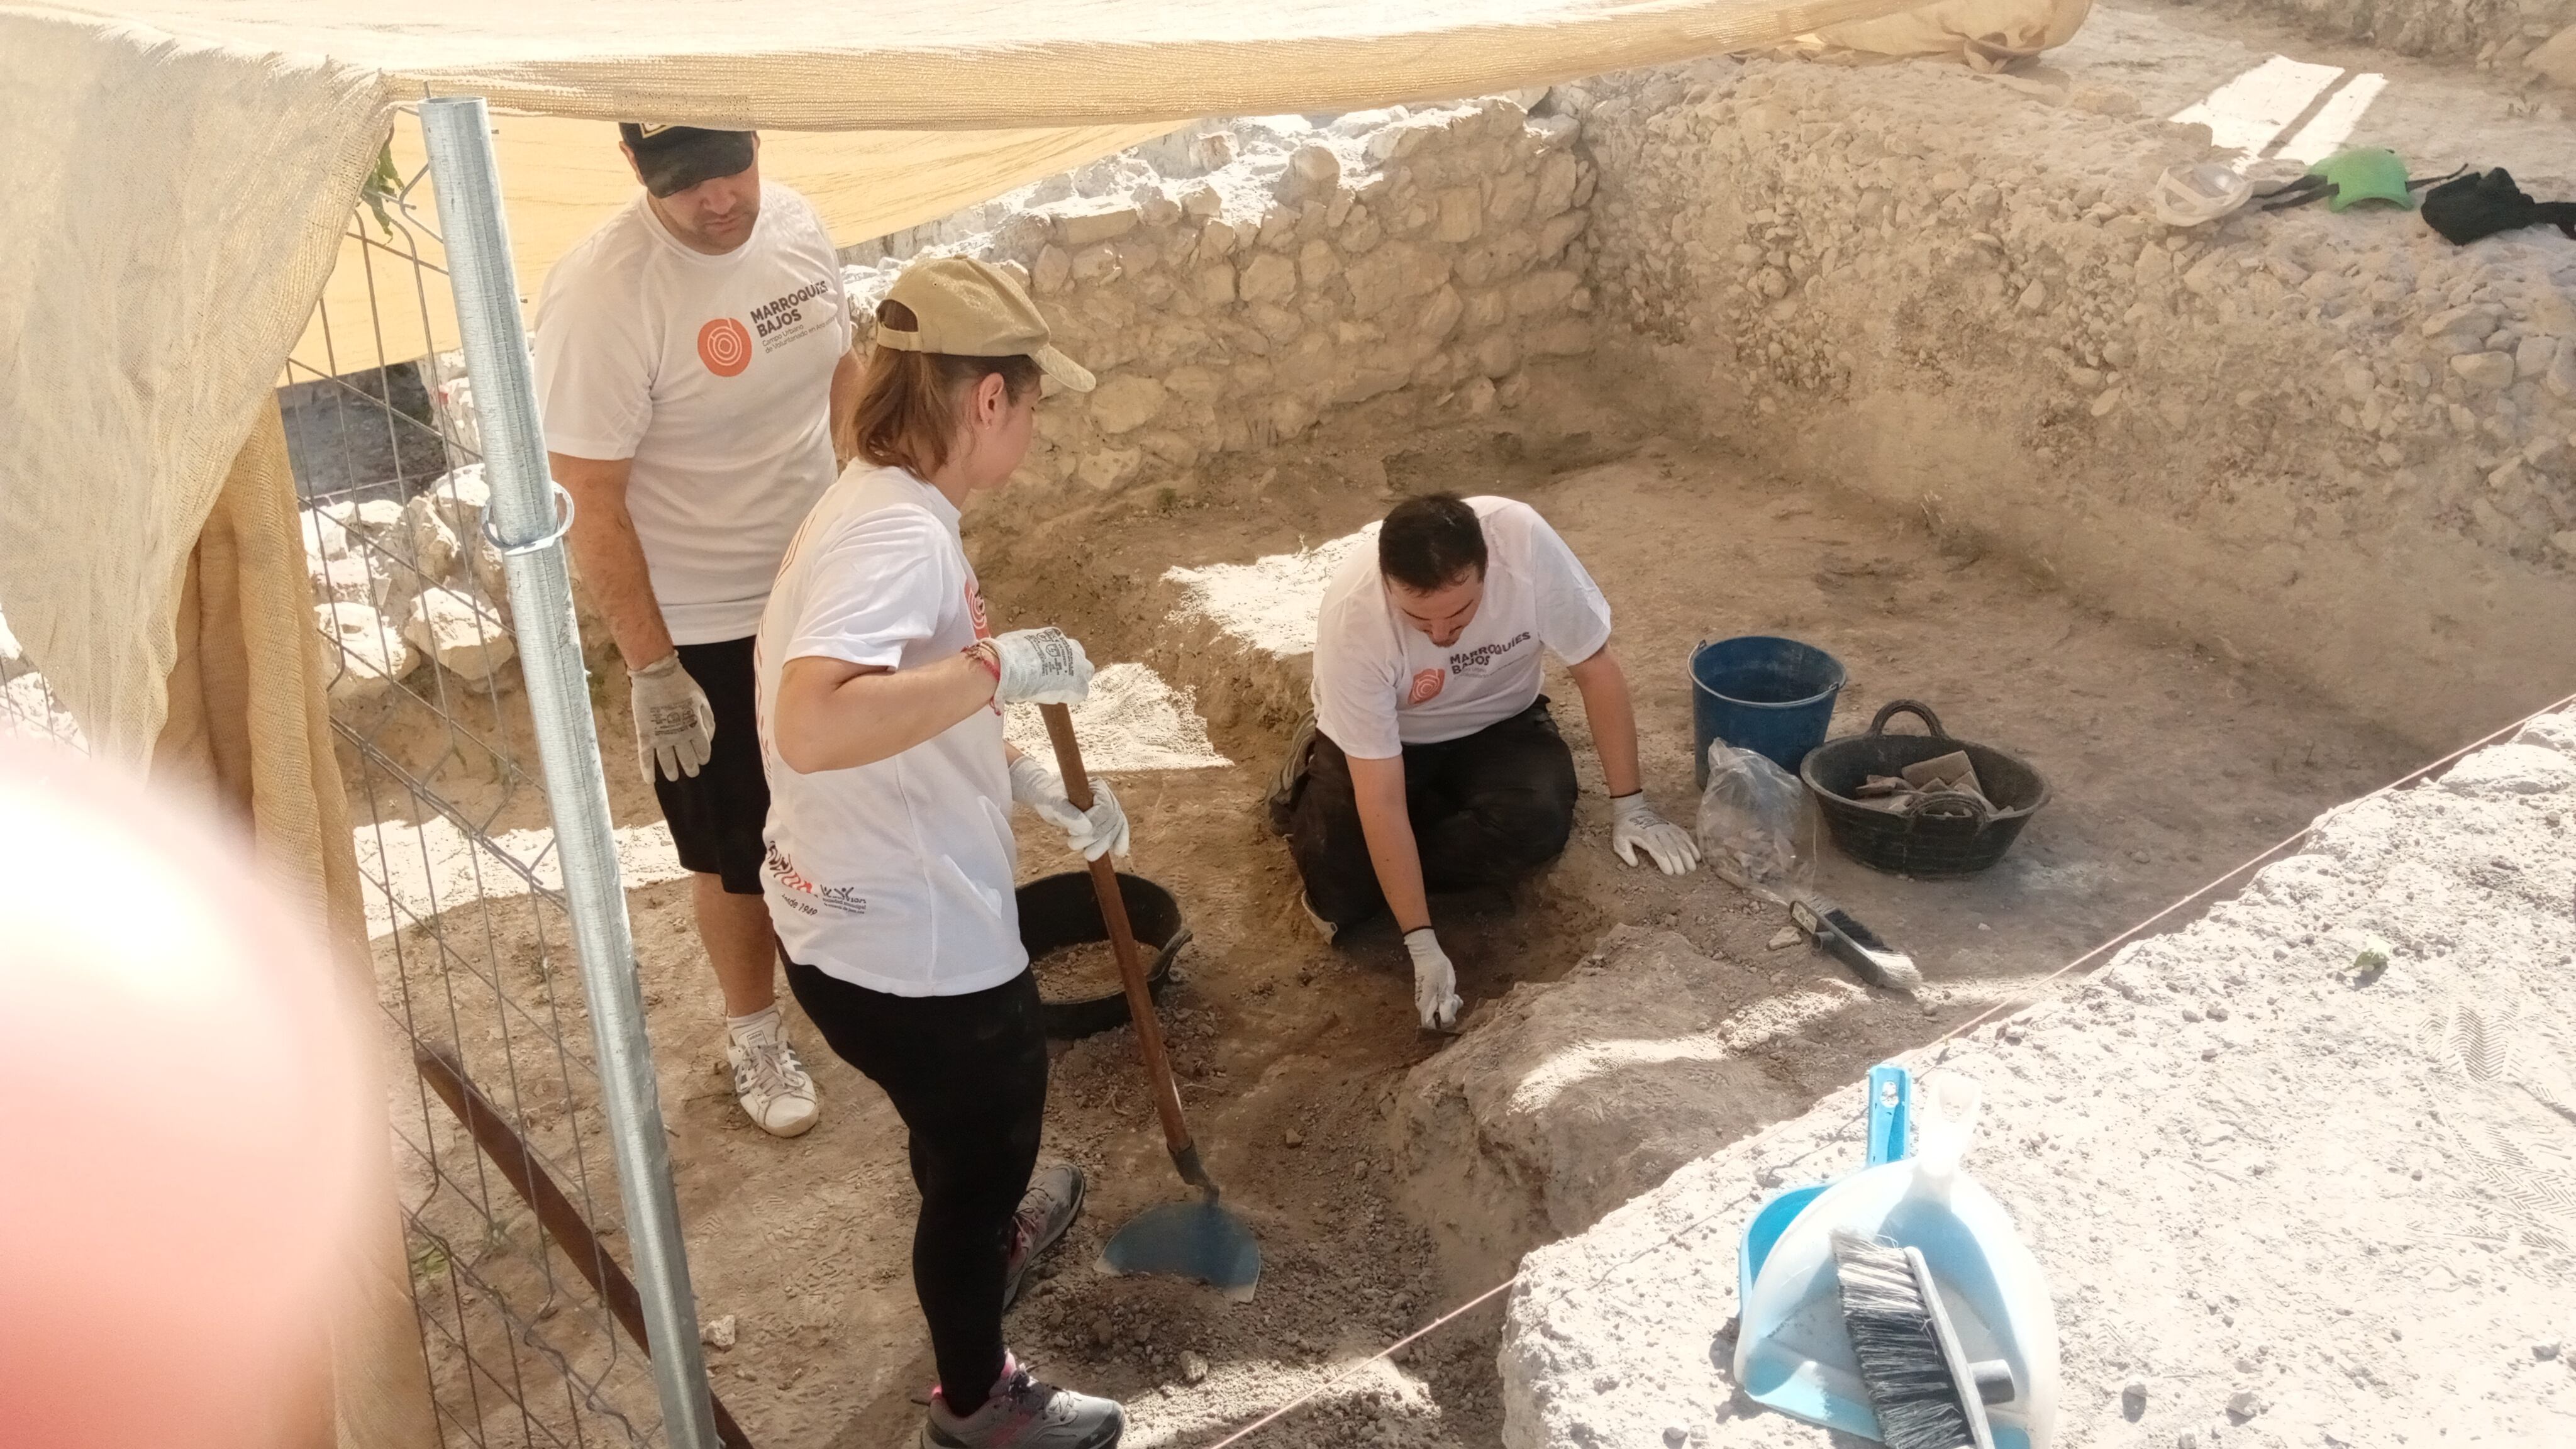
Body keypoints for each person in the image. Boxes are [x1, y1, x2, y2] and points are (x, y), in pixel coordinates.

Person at [755, 255, 1126, 1449]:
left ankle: (987, 1232)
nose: (1032, 420)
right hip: (909, 944)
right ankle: (976, 1398)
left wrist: (1012, 776)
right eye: (1032, 398)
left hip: (839, 912)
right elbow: (815, 719)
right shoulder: (900, 539)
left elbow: (888, 702)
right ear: (986, 401)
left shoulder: (874, 500)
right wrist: (997, 667)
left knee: (954, 1131)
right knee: (979, 1156)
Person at [535, 123, 860, 1136]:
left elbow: (842, 373)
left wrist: (869, 507)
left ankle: (870, 972)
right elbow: (589, 493)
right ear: (633, 166)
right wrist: (654, 668)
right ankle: (755, 1031)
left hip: (829, 581)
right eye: (683, 183)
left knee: (859, 790)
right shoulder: (604, 295)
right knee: (738, 848)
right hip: (709, 623)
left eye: (730, 169)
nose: (717, 200)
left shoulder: (800, 225)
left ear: (758, 140)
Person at [1273, 492, 1702, 1030]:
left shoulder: (1523, 545)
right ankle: (1311, 780)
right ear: (1387, 585)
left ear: (1488, 568)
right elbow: (1379, 795)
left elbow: (1595, 668)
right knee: (1341, 895)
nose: (1440, 635)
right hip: (1388, 738)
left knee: (1537, 824)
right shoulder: (1353, 618)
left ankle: (1403, 845)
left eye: (1460, 613)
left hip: (1499, 719)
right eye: (1417, 619)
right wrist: (1422, 943)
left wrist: (1632, 806)